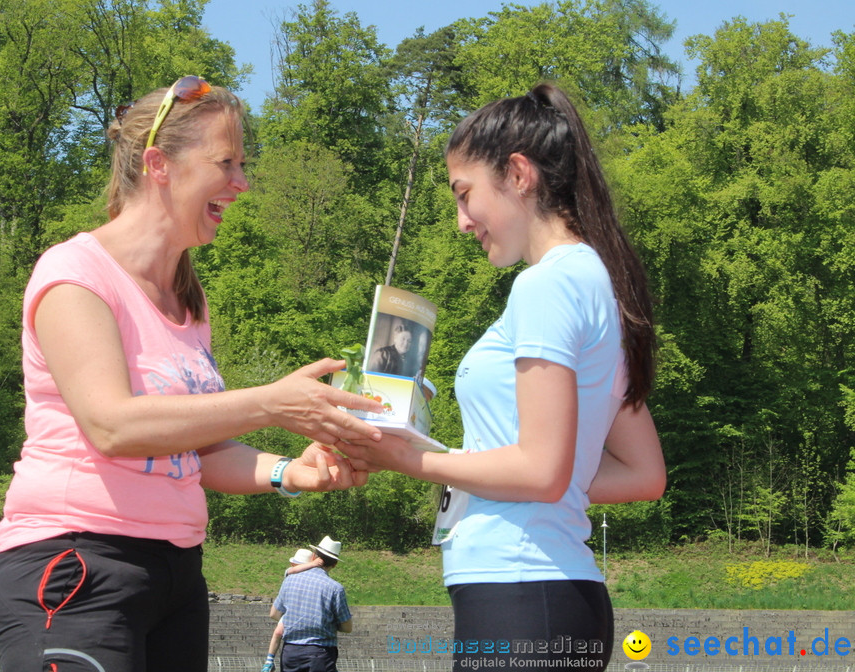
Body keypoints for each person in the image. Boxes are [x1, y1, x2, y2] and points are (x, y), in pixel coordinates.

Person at [0, 75, 385, 672]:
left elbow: (198, 452)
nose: (243, 183)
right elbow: (112, 425)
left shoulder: (188, 304)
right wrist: (272, 404)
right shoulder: (74, 274)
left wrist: (290, 472)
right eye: (227, 162)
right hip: (73, 564)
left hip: (176, 575)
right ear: (158, 164)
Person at [339, 83, 666, 670]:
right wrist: (504, 470)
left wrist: (407, 458)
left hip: (522, 592)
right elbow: (640, 474)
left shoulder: (546, 285)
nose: (463, 222)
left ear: (519, 174)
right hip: (547, 591)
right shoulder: (597, 282)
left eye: (466, 196)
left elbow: (540, 470)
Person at [270, 536, 352, 672]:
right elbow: (347, 627)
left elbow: (274, 613)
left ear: (313, 556)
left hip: (291, 652)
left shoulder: (290, 580)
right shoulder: (335, 588)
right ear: (335, 564)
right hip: (321, 654)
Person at [261, 549, 322, 672]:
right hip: (290, 611)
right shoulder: (290, 573)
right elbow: (292, 571)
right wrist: (314, 563)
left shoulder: (311, 578)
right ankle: (269, 660)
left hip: (303, 610)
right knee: (278, 632)